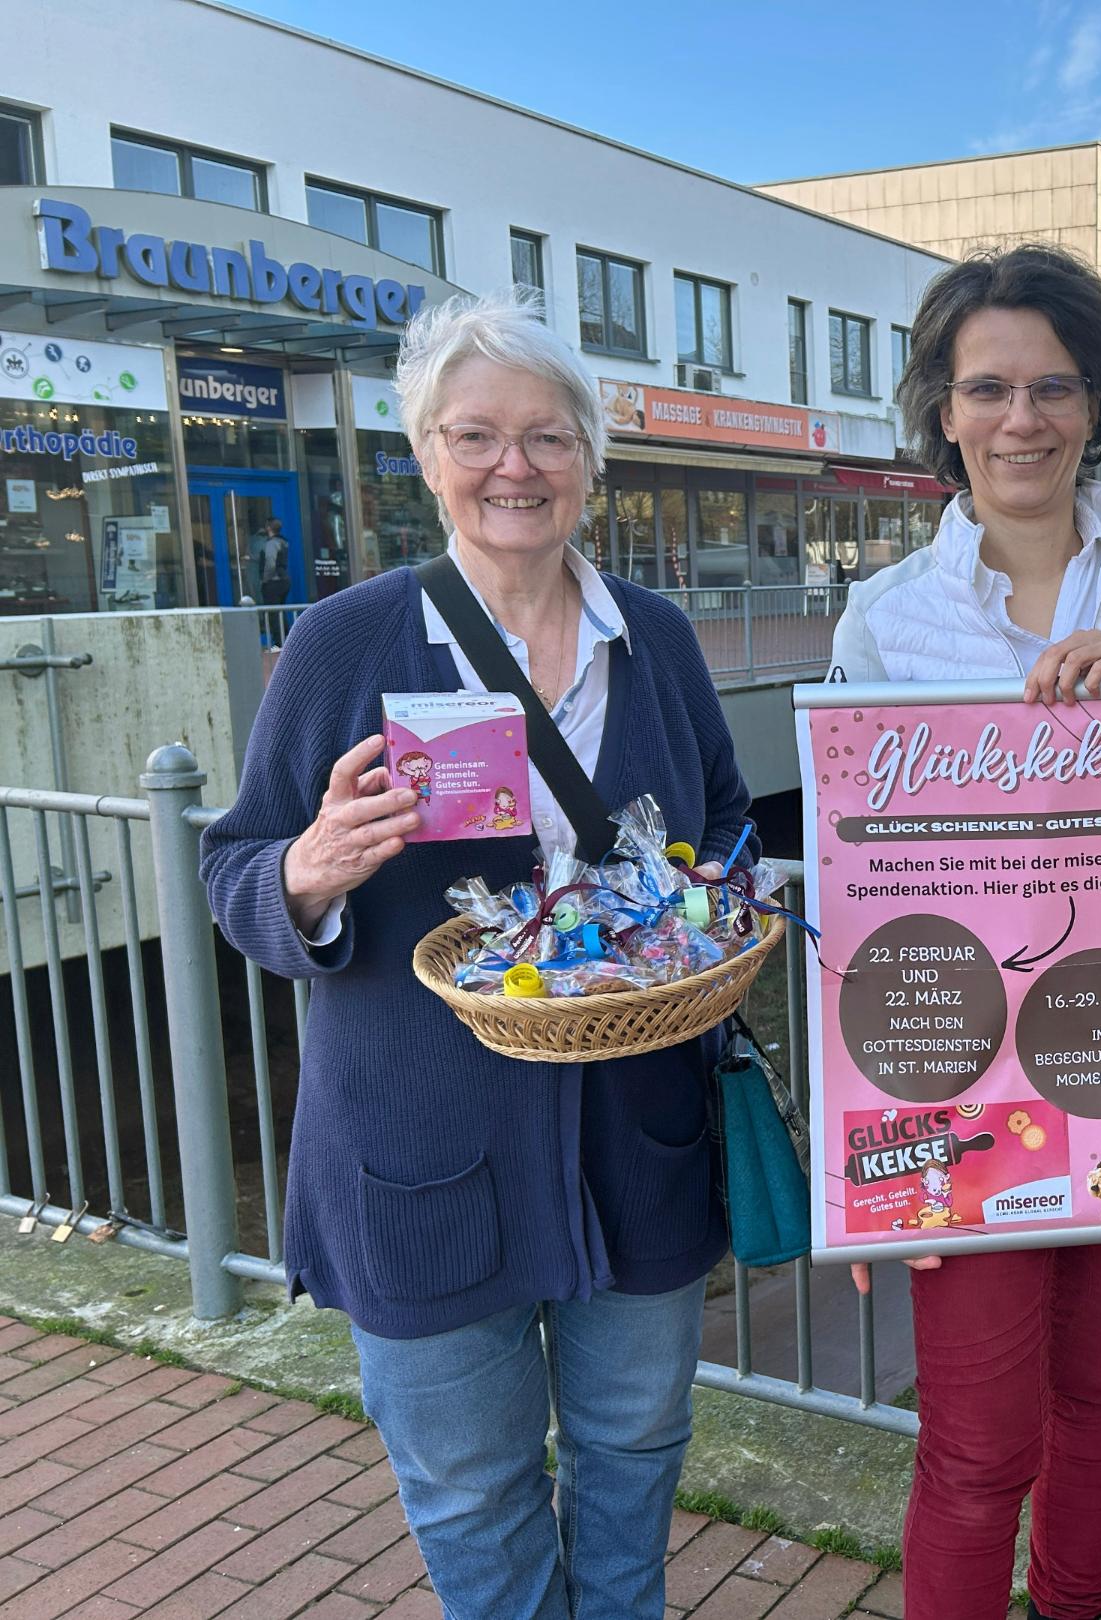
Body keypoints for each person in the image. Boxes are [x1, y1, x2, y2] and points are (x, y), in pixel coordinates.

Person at [200, 288, 756, 1620]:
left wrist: (721, 910)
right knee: (472, 1502)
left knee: (634, 1465)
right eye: (477, 436)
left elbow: (727, 827)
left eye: (549, 437)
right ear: (425, 456)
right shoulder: (344, 641)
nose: (516, 467)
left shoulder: (658, 642)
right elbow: (236, 871)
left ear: (590, 459)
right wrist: (308, 872)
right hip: (418, 1160)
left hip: (641, 1142)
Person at [828, 244, 1101, 1620]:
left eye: (1053, 388)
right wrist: (875, 1153)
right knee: (975, 1448)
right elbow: (855, 901)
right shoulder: (886, 619)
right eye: (989, 390)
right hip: (959, 1096)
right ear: (943, 411)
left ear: (1095, 407)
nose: (1022, 419)